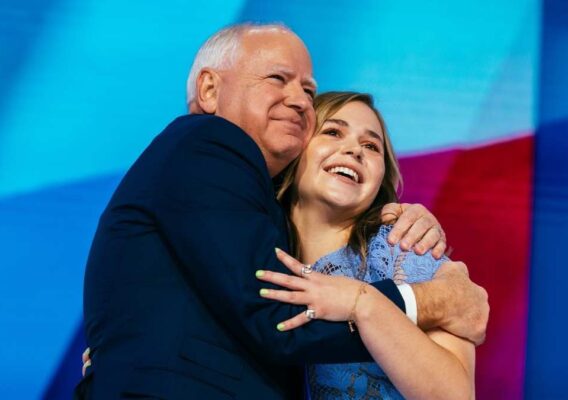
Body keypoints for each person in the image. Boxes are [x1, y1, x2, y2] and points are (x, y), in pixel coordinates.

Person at [79, 23, 487, 399]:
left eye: (309, 92)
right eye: (278, 78)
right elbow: (274, 320)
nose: (298, 101)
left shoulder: (404, 248)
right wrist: (428, 301)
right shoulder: (211, 144)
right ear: (208, 89)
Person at [256, 91, 475, 399]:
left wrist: (362, 302)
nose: (353, 150)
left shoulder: (407, 252)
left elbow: (455, 395)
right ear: (294, 149)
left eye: (371, 146)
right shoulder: (254, 249)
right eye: (333, 132)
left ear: (381, 179)